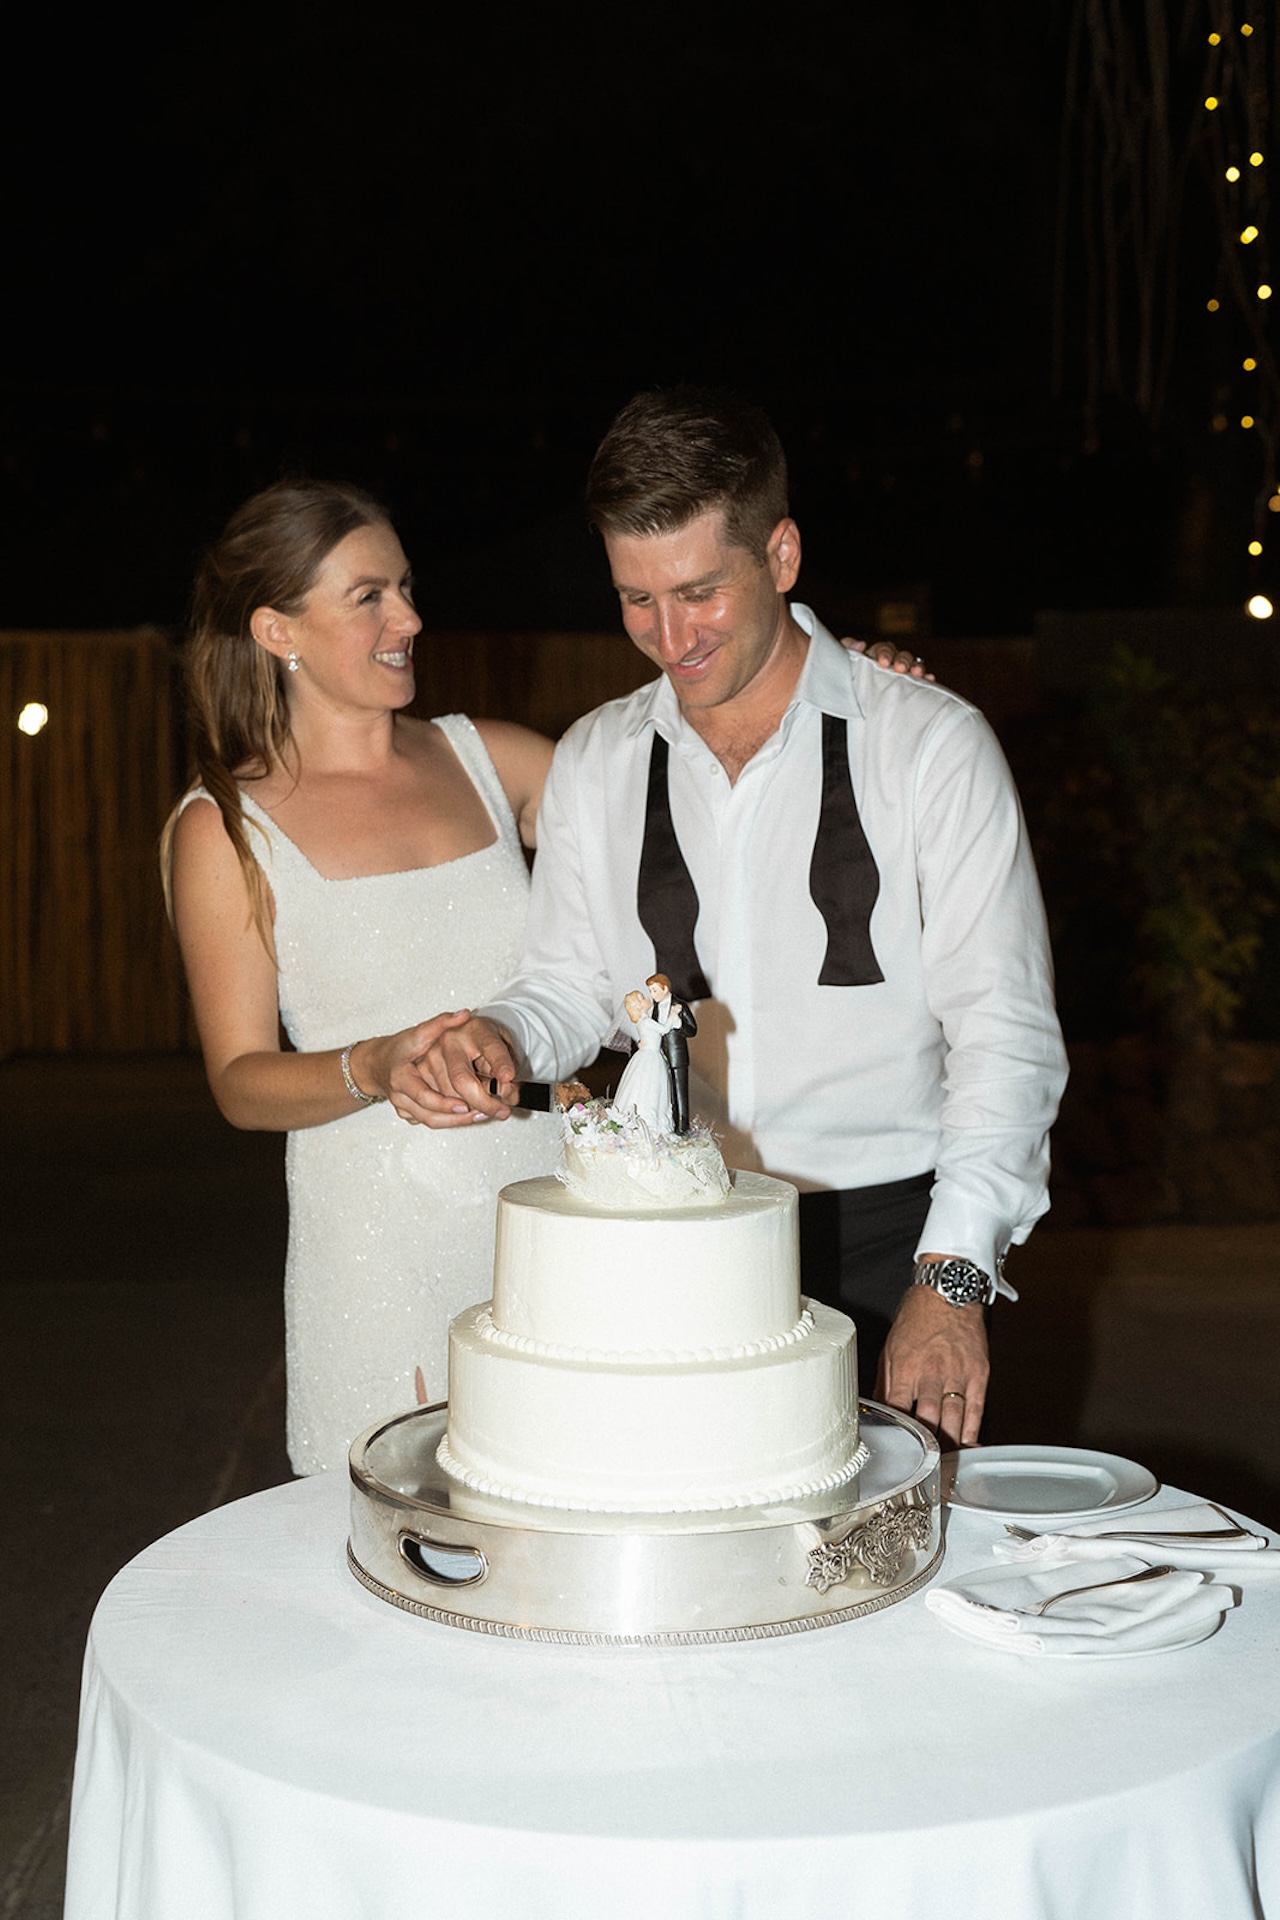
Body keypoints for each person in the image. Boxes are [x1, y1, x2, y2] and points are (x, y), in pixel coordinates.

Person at [401, 387, 1069, 1448]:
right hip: (683, 1233)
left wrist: (952, 1280)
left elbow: (1003, 1031)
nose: (669, 638)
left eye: (699, 592)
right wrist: (499, 1032)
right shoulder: (595, 760)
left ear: (782, 556)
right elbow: (572, 986)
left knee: (891, 1565)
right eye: (635, 600)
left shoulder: (928, 746)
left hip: (896, 1227)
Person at [162, 479, 561, 1474]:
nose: (410, 619)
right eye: (370, 596)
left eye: (407, 588)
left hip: (549, 1217)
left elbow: (678, 816)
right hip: (380, 1250)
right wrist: (374, 1065)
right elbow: (240, 1082)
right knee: (411, 1550)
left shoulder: (496, 762)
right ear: (276, 629)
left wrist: (830, 684)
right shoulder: (223, 829)